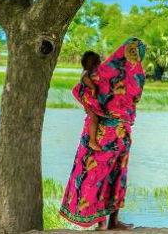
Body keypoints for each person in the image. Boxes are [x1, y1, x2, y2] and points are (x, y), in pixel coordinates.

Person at [60, 38, 146, 231]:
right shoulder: (132, 76)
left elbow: (80, 90)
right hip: (108, 134)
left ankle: (108, 223)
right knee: (107, 175)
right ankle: (107, 223)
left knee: (108, 176)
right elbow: (134, 99)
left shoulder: (117, 74)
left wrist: (94, 105)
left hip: (115, 134)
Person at [80, 51, 102, 151]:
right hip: (87, 99)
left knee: (95, 117)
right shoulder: (85, 73)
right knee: (94, 118)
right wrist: (93, 87)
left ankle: (92, 140)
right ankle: (92, 141)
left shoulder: (89, 73)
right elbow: (84, 79)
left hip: (87, 99)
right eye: (98, 63)